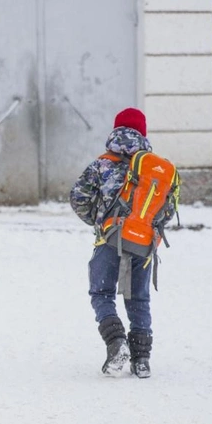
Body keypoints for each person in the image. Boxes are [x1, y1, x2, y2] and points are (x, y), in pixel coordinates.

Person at [70, 108, 164, 378]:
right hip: (143, 244)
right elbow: (166, 209)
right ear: (143, 133)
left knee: (102, 293)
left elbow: (78, 197)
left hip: (110, 239)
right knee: (138, 297)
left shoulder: (102, 163)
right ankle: (142, 360)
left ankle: (116, 343)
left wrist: (99, 222)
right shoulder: (155, 168)